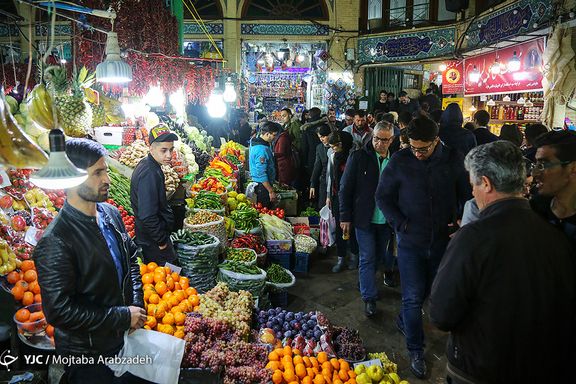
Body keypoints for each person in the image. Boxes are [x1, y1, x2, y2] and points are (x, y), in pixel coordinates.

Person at [430, 141, 576, 384]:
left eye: (473, 185)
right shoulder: (554, 236)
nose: (473, 194)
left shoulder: (473, 237)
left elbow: (442, 313)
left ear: (485, 183)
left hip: (479, 370)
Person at [34, 139, 147, 384]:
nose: (106, 179)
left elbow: (131, 260)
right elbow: (59, 312)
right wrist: (121, 316)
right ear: (72, 178)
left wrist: (136, 305)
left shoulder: (111, 214)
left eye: (105, 170)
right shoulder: (56, 241)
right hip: (87, 355)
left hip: (120, 339)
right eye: (97, 173)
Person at [375, 116, 471, 379]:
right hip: (410, 242)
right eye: (413, 147)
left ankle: (405, 321)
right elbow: (382, 197)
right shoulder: (400, 160)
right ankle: (416, 350)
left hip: (443, 241)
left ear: (436, 140)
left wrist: (461, 219)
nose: (417, 153)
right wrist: (400, 224)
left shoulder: (453, 159)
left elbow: (466, 194)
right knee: (413, 297)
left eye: (423, 148)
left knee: (431, 293)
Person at [340, 121, 396, 316]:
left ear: (392, 139)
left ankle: (365, 282)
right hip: (363, 218)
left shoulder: (396, 160)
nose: (379, 143)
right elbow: (345, 188)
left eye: (384, 140)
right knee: (367, 257)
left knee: (379, 257)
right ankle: (369, 298)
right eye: (376, 139)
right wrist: (345, 216)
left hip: (386, 221)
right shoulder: (358, 157)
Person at [131, 125, 178, 265]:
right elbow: (147, 214)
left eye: (171, 150)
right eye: (164, 150)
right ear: (151, 149)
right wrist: (162, 242)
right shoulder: (149, 173)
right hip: (153, 241)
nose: (169, 155)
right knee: (168, 277)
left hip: (153, 237)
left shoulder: (150, 165)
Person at [530, 130, 576, 246]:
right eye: (535, 165)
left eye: (542, 165)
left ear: (573, 168)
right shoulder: (535, 209)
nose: (535, 173)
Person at [326, 131, 357, 273]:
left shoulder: (354, 156)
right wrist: (328, 195)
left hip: (353, 198)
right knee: (339, 228)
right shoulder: (333, 157)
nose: (333, 149)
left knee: (353, 228)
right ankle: (341, 257)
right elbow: (330, 177)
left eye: (335, 146)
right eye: (331, 146)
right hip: (337, 197)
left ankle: (354, 256)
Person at [249, 121, 280, 208]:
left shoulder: (256, 141)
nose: (274, 138)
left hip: (262, 184)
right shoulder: (261, 150)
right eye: (273, 135)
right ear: (267, 134)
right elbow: (261, 173)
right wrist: (270, 191)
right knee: (265, 210)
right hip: (262, 186)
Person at [300, 107, 325, 192]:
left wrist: (304, 163)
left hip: (311, 159)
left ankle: (313, 200)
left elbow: (304, 148)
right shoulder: (326, 125)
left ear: (310, 115)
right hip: (325, 156)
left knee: (313, 179)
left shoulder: (306, 128)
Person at [310, 124, 332, 210]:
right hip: (324, 180)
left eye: (323, 136)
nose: (321, 139)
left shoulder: (336, 147)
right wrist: (313, 184)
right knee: (323, 207)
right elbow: (317, 166)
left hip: (335, 181)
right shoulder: (319, 148)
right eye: (320, 137)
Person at [273, 121, 296, 186]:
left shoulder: (282, 138)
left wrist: (271, 154)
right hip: (283, 164)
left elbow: (281, 152)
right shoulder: (282, 136)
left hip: (284, 165)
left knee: (285, 184)